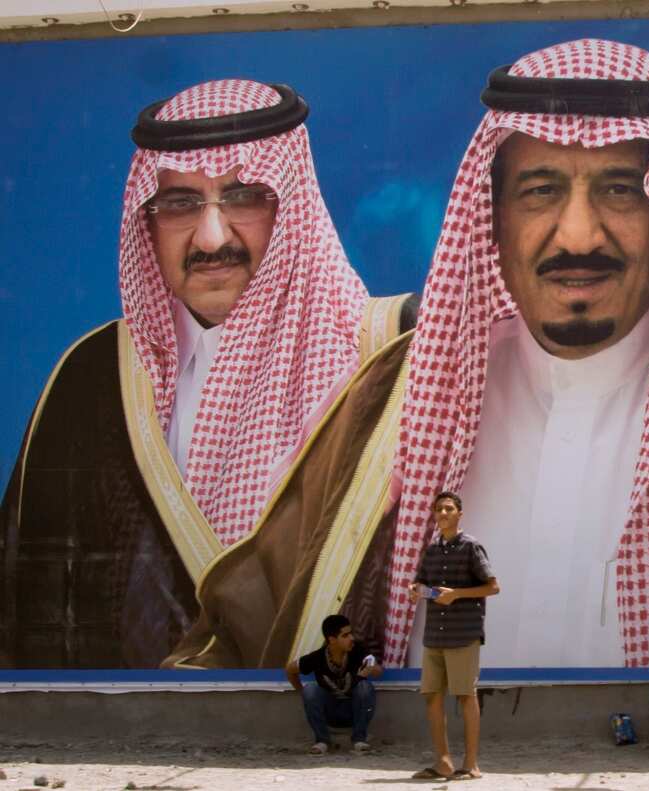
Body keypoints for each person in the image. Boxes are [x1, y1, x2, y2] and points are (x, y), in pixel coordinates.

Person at [163, 38, 649, 671]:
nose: (578, 233)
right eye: (540, 189)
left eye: (620, 189)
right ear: (492, 218)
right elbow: (259, 628)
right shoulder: (392, 410)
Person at [0, 79, 414, 669]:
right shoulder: (89, 378)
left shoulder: (394, 358)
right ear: (147, 220)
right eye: (180, 203)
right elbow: (34, 609)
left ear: (291, 205)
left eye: (244, 195)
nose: (212, 237)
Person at [409, 492, 499, 782]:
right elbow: (421, 582)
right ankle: (443, 762)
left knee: (465, 696)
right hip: (434, 635)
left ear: (460, 513)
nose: (443, 513)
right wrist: (416, 590)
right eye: (439, 509)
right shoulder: (432, 550)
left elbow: (493, 587)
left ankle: (471, 765)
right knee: (432, 698)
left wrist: (457, 594)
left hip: (463, 635)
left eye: (449, 508)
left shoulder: (472, 547)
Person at [286, 614, 382, 755]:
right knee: (310, 689)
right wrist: (302, 693)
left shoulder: (358, 651)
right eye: (345, 635)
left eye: (351, 633)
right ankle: (322, 741)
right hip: (329, 712)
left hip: (353, 710)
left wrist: (371, 668)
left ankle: (359, 740)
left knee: (365, 687)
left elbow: (378, 670)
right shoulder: (318, 657)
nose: (352, 638)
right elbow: (290, 669)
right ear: (332, 640)